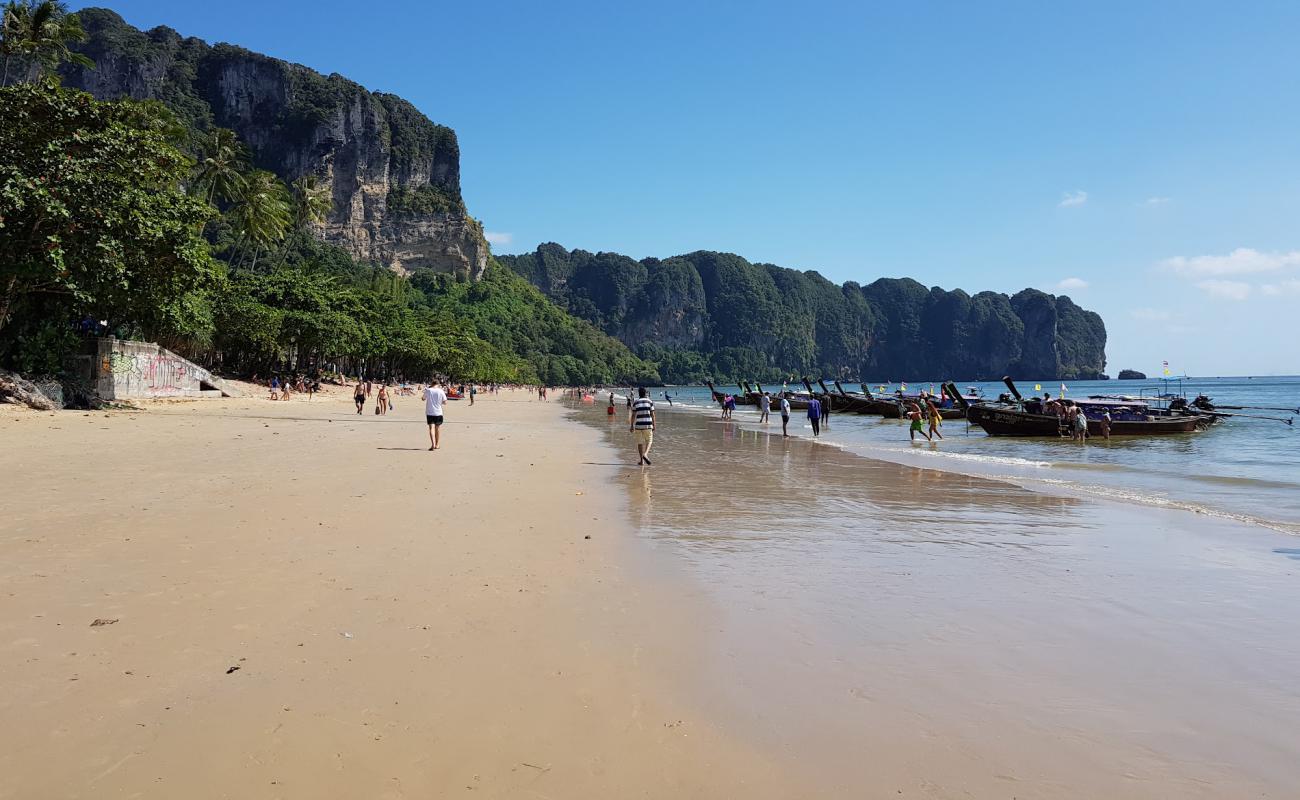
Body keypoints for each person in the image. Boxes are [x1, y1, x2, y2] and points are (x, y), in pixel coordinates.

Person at [629, 387, 656, 466]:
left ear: (639, 393)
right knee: (649, 441)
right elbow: (653, 414)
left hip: (638, 426)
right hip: (648, 425)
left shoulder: (636, 402)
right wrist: (654, 425)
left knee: (640, 443)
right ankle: (646, 454)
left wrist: (631, 426)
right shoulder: (650, 402)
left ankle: (641, 461)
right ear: (645, 393)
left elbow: (633, 415)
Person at [424, 381, 448, 451]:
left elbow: (423, 398)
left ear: (432, 384)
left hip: (430, 412)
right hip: (438, 412)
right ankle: (437, 444)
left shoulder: (428, 390)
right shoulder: (441, 391)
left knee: (431, 428)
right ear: (438, 384)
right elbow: (445, 402)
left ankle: (433, 444)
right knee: (437, 428)